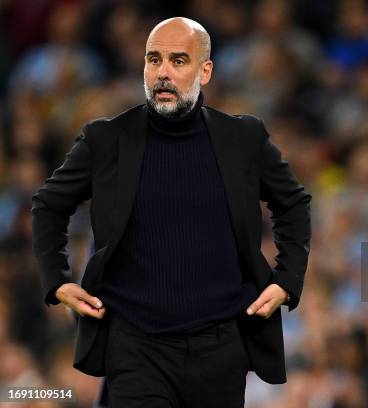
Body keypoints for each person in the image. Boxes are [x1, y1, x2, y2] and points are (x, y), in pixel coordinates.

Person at [31, 17, 311, 407]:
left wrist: (287, 279)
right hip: (133, 346)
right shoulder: (106, 139)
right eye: (154, 59)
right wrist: (56, 281)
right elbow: (48, 206)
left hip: (221, 346)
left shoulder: (243, 139)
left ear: (205, 71)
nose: (163, 72)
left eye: (179, 61)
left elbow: (293, 204)